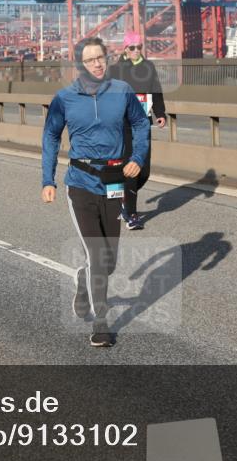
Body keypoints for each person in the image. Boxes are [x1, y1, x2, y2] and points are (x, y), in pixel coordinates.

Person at [42, 37, 150, 348]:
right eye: (90, 60)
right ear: (80, 65)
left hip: (114, 182)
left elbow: (141, 124)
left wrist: (137, 158)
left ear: (107, 58)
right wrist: (47, 180)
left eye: (100, 57)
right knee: (98, 255)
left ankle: (82, 278)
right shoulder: (65, 98)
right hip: (80, 183)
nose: (97, 64)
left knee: (110, 260)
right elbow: (51, 137)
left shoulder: (122, 91)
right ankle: (101, 324)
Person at [106, 31, 166, 230]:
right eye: (132, 47)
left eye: (139, 47)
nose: (136, 50)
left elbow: (156, 91)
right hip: (123, 123)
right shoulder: (115, 70)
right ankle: (131, 214)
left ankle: (122, 196)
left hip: (143, 122)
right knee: (132, 166)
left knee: (144, 170)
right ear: (125, 49)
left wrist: (160, 113)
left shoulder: (148, 67)